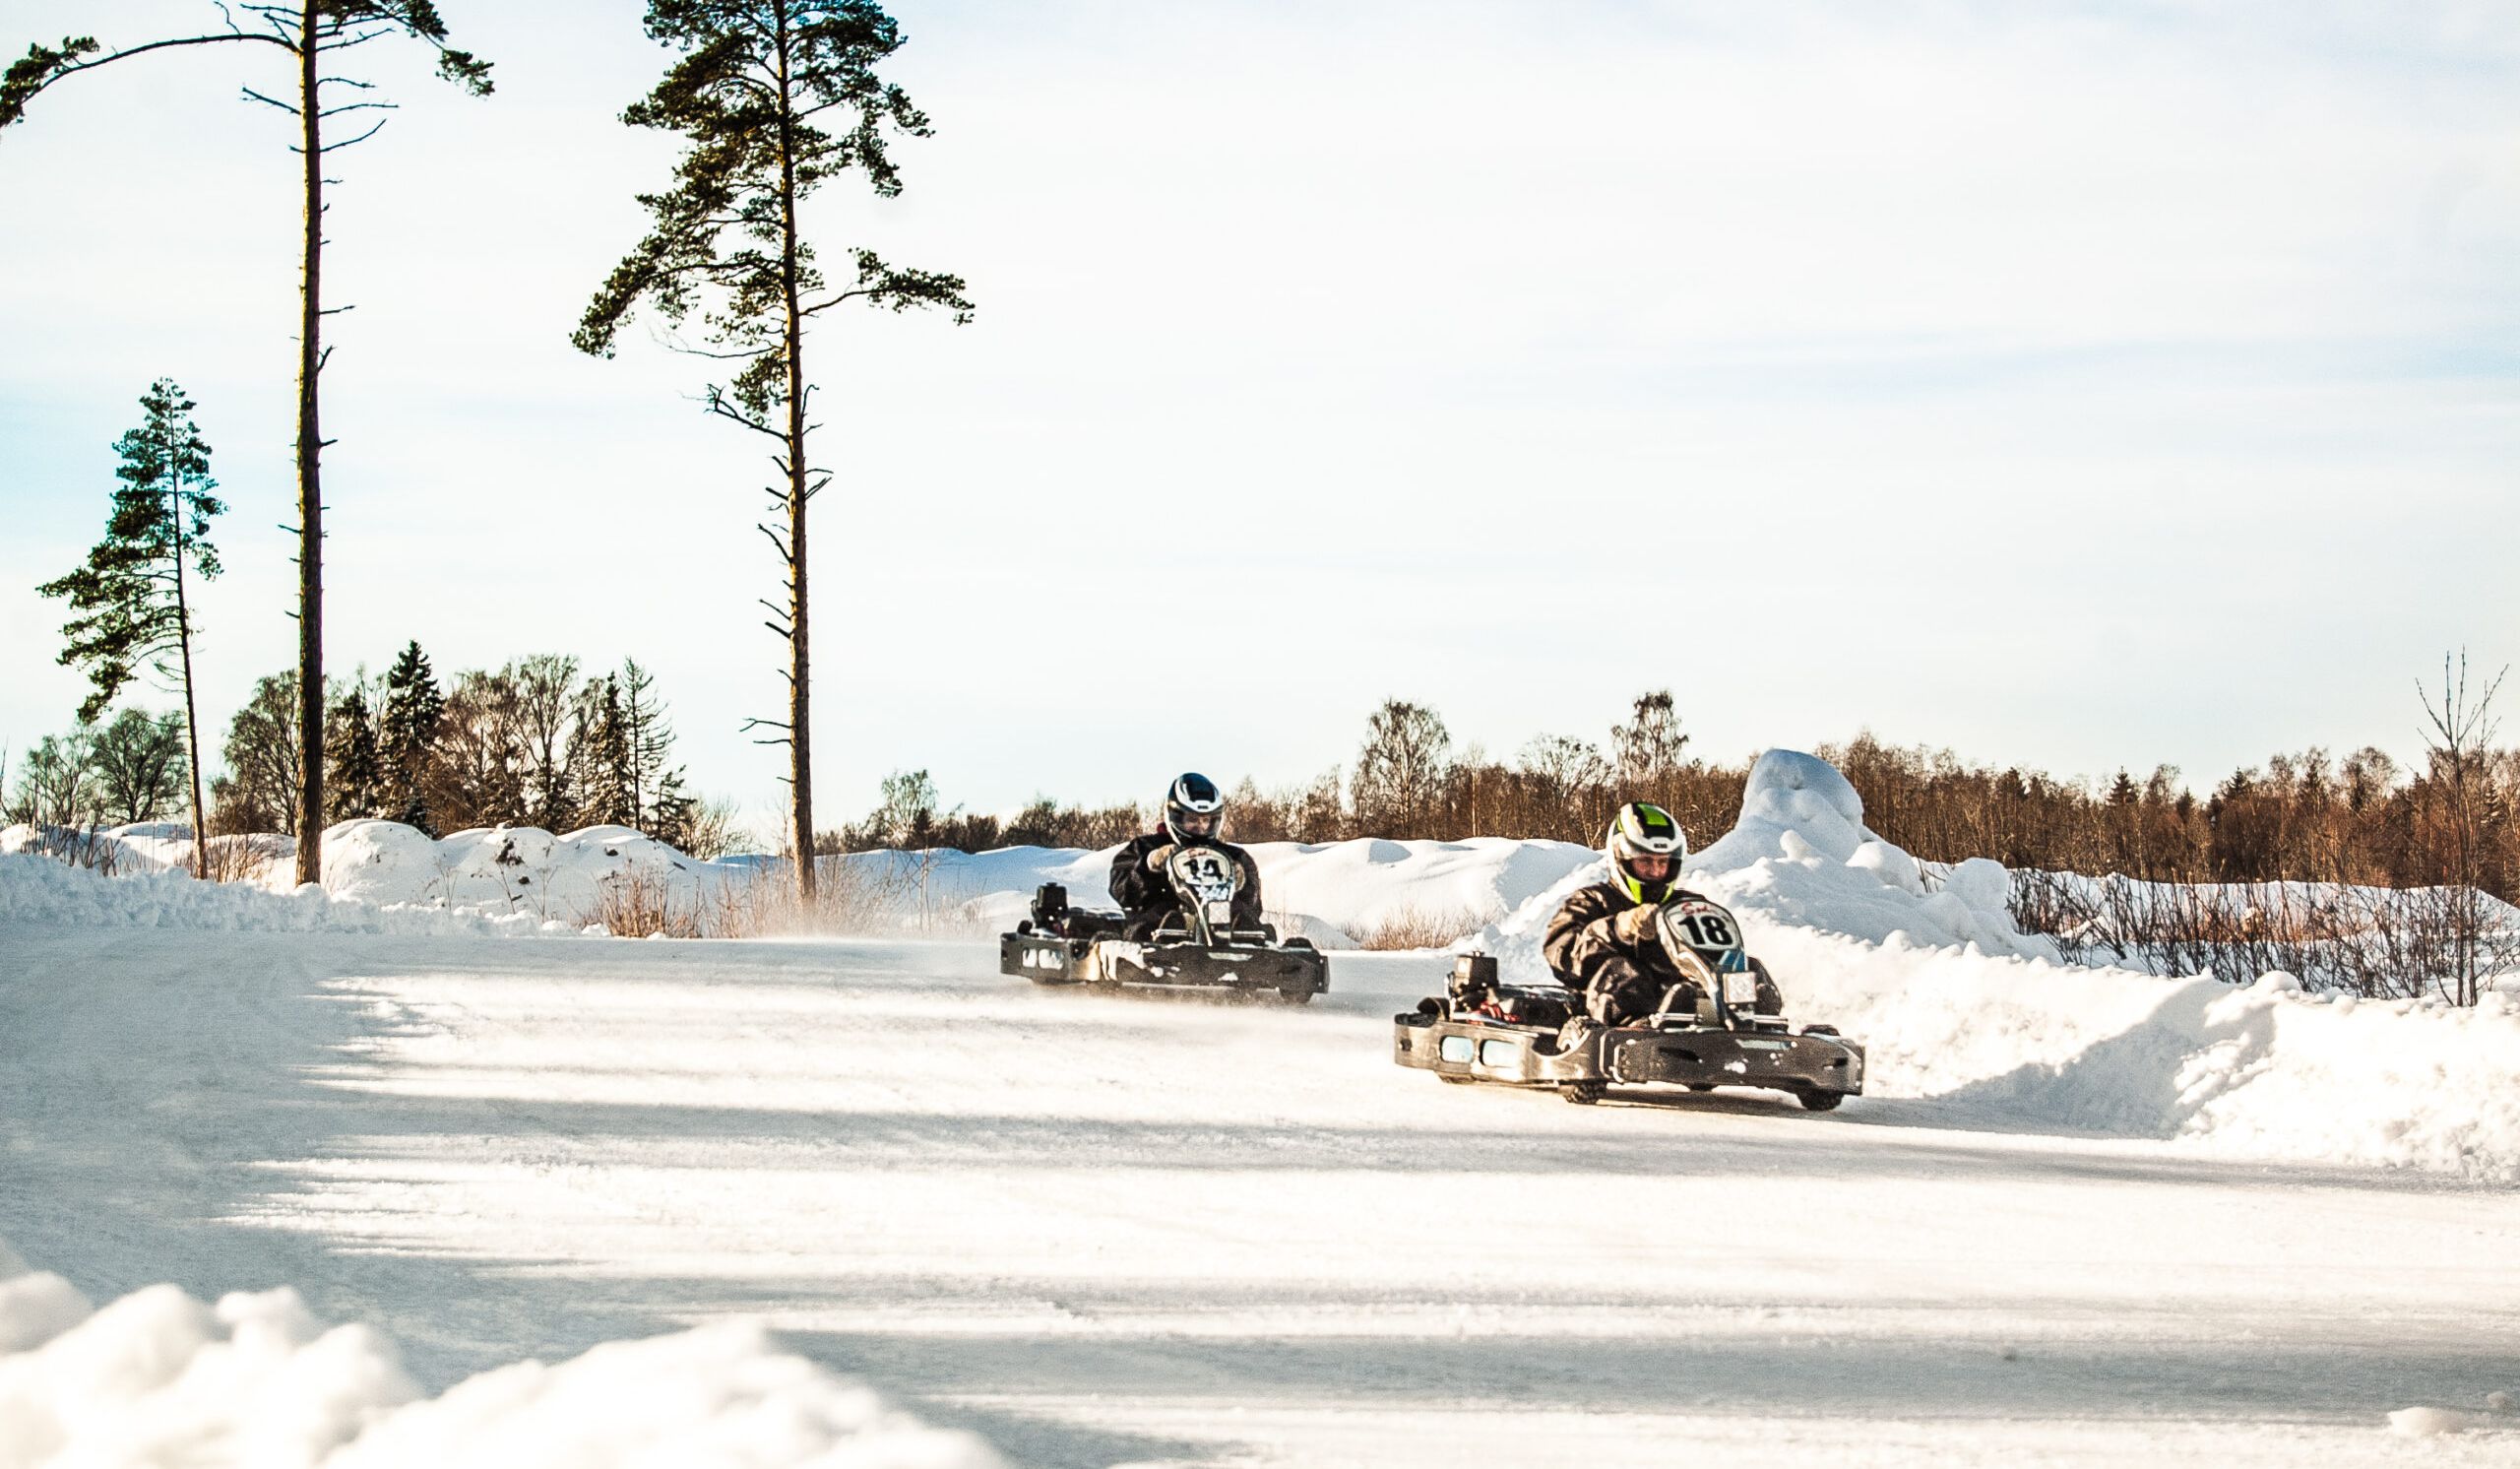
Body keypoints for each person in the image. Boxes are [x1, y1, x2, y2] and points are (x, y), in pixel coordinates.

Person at [1543, 800, 1780, 1026]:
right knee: (1621, 970)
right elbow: (1562, 954)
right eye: (1645, 861)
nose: (1655, 871)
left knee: (1749, 968)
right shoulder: (1591, 901)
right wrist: (1619, 929)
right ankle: (1641, 1030)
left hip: (1696, 1008)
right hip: (1619, 1014)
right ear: (1622, 859)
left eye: (1662, 862)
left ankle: (1759, 1030)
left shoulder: (1688, 904)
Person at [1109, 772, 1266, 936]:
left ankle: (1256, 949)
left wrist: (1241, 882)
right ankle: (1167, 938)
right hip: (1159, 923)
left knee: (1244, 918)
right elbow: (1121, 890)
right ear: (1175, 816)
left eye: (1206, 820)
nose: (1201, 827)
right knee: (1154, 920)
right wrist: (1148, 866)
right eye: (1193, 820)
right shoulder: (1144, 847)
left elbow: (1254, 906)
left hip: (1221, 922)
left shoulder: (1233, 856)